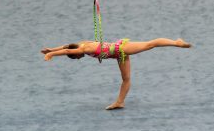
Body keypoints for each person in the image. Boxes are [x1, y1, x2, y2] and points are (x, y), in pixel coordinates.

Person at [41, 38, 191, 110]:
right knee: (126, 79)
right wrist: (51, 49)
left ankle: (176, 43)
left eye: (77, 57)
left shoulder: (84, 50)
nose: (79, 58)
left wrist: (52, 55)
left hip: (122, 49)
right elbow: (68, 46)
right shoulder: (82, 43)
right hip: (119, 56)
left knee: (149, 44)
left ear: (76, 54)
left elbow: (67, 50)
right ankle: (120, 102)